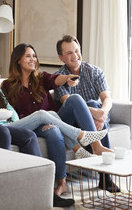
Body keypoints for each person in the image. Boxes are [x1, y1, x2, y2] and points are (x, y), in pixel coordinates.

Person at [1, 43, 113, 203]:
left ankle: (95, 145)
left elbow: (55, 80)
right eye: (28, 56)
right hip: (34, 124)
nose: (33, 59)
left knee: (72, 101)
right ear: (18, 60)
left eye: (34, 56)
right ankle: (62, 182)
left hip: (56, 119)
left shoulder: (41, 77)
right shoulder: (7, 86)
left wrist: (67, 79)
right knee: (52, 129)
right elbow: (10, 112)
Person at [54, 34, 120, 192]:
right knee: (77, 99)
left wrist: (102, 113)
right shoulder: (58, 78)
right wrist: (93, 113)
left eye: (76, 51)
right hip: (72, 122)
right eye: (69, 53)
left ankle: (105, 177)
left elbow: (107, 98)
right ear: (61, 57)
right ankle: (103, 167)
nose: (75, 55)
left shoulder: (94, 72)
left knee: (94, 104)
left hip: (93, 120)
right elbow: (66, 100)